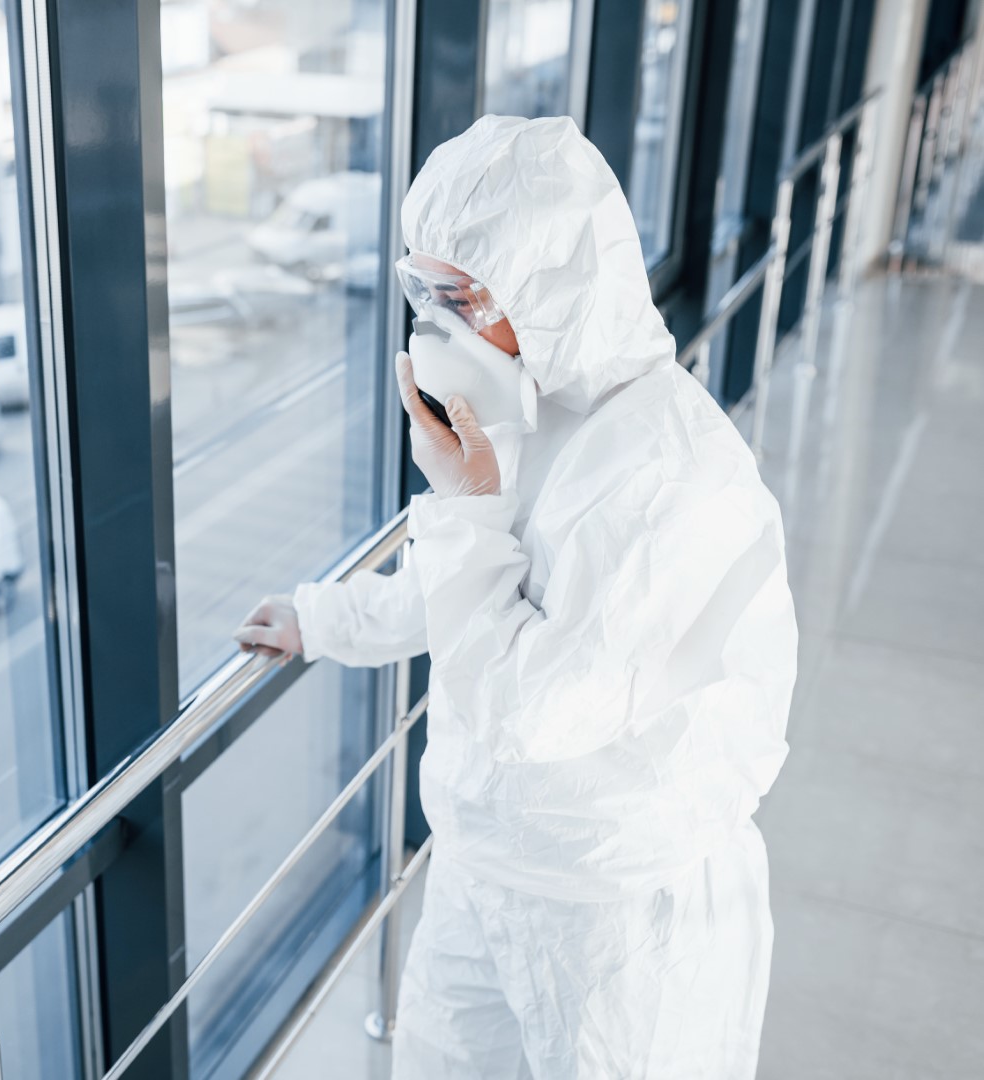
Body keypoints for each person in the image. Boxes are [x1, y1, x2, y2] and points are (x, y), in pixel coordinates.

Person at [234, 115, 796, 1079]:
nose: (435, 325)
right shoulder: (526, 415)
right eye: (423, 288)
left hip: (618, 919)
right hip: (483, 869)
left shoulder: (670, 475)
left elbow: (531, 705)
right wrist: (323, 620)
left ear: (553, 284)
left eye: (459, 294)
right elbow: (455, 599)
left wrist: (462, 503)